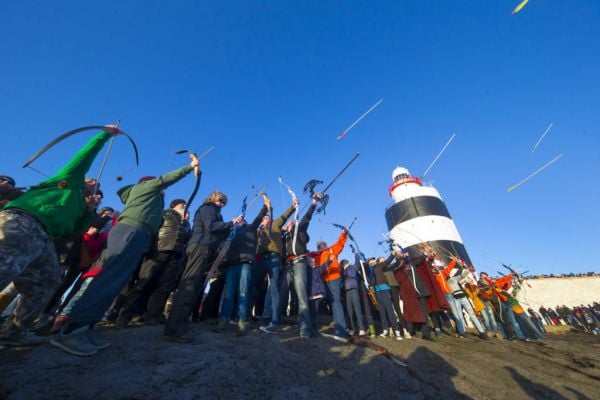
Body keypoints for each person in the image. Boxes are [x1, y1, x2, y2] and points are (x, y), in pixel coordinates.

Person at [51, 158, 198, 356]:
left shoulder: (153, 201)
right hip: (130, 231)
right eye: (158, 187)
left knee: (117, 281)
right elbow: (165, 179)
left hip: (139, 235)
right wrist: (190, 167)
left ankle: (87, 326)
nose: (162, 191)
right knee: (108, 277)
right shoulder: (146, 188)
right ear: (147, 183)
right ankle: (72, 330)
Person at [0, 126, 119, 345]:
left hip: (43, 238)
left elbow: (72, 231)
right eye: (89, 182)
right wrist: (104, 135)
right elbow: (83, 158)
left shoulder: (77, 206)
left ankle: (14, 331)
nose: (92, 186)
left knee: (47, 281)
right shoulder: (67, 182)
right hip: (21, 221)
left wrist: (88, 212)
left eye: (95, 187)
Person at [163, 191, 242, 343]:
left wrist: (229, 228)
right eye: (220, 201)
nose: (222, 204)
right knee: (189, 284)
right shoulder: (208, 208)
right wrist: (231, 223)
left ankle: (179, 324)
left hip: (205, 247)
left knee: (195, 285)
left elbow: (217, 230)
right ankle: (174, 329)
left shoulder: (213, 210)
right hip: (200, 246)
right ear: (213, 198)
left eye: (224, 203)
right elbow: (211, 226)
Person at [115, 199, 192, 327]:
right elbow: (153, 231)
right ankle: (125, 314)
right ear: (174, 206)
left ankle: (152, 315)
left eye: (186, 205)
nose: (184, 206)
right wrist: (147, 250)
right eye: (182, 204)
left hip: (175, 254)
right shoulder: (164, 214)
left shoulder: (186, 223)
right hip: (158, 250)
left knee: (163, 286)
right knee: (143, 282)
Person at [216, 197, 269, 334]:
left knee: (244, 292)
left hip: (246, 262)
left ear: (244, 222)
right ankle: (223, 320)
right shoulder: (232, 233)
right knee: (229, 293)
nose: (240, 222)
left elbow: (258, 218)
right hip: (232, 263)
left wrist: (265, 207)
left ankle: (241, 321)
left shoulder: (251, 228)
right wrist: (232, 223)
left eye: (241, 221)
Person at [280, 193, 320, 337]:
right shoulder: (284, 236)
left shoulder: (300, 229)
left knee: (301, 295)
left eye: (292, 222)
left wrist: (314, 202)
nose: (290, 222)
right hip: (286, 265)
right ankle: (275, 321)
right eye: (288, 223)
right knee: (281, 294)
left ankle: (305, 329)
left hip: (298, 262)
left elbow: (307, 217)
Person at [255, 197, 296, 333]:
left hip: (274, 257)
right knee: (254, 286)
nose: (266, 218)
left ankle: (274, 320)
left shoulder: (276, 224)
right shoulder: (259, 231)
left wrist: (294, 205)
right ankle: (257, 317)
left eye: (268, 217)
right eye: (264, 217)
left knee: (273, 289)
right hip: (261, 259)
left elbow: (285, 216)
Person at [307, 228, 348, 342]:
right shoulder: (315, 255)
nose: (323, 246)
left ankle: (341, 331)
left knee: (336, 303)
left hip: (334, 279)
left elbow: (340, 242)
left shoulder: (332, 250)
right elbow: (307, 258)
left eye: (324, 244)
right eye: (320, 245)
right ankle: (313, 327)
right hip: (321, 281)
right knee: (316, 304)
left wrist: (344, 233)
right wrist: (312, 253)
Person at [371, 253, 403, 340]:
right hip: (377, 291)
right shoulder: (371, 270)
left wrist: (393, 254)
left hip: (384, 289)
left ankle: (397, 331)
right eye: (370, 260)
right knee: (382, 311)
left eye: (373, 260)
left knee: (389, 310)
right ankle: (385, 329)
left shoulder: (380, 266)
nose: (372, 261)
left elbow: (388, 261)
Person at [341, 257, 366, 337]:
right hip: (347, 290)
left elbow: (357, 262)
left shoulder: (352, 267)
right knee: (350, 310)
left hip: (353, 289)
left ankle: (361, 328)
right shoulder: (343, 271)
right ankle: (352, 329)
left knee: (357, 308)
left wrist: (356, 254)